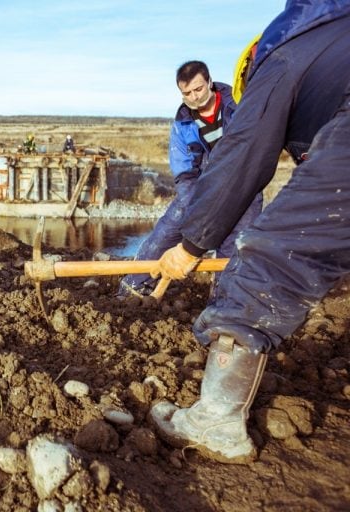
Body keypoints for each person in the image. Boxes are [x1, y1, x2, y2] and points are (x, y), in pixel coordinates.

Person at [149, 1, 350, 464]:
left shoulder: (277, 61)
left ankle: (216, 421)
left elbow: (243, 157)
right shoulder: (333, 36)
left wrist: (192, 244)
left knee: (268, 255)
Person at [117, 61, 262, 298]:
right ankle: (132, 287)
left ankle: (222, 306)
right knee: (164, 233)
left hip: (245, 183)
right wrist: (195, 205)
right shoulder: (182, 122)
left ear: (210, 83)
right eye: (187, 93)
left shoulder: (238, 105)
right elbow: (183, 170)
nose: (194, 97)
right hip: (200, 186)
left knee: (234, 248)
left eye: (198, 89)